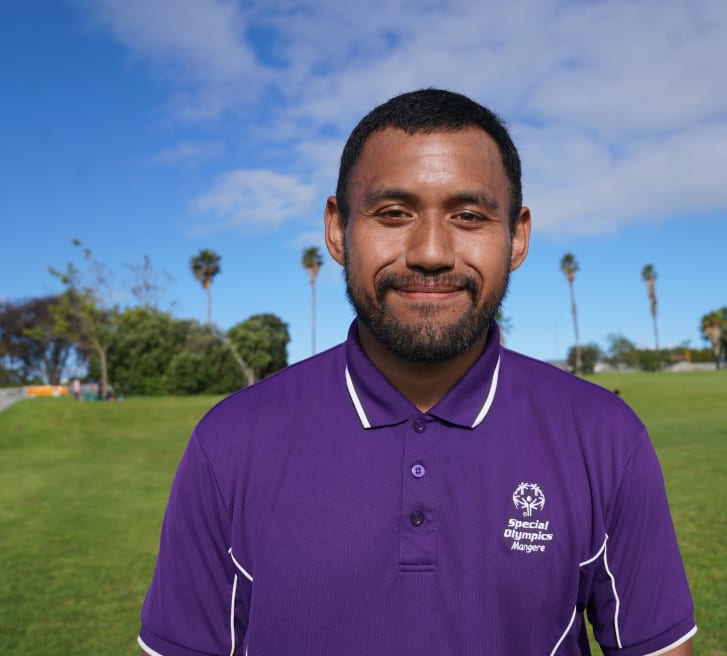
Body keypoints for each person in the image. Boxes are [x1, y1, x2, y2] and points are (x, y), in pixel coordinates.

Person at [137, 89, 696, 656]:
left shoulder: (605, 436)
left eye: (469, 216)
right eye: (394, 213)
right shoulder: (229, 442)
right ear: (337, 229)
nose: (431, 252)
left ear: (518, 237)